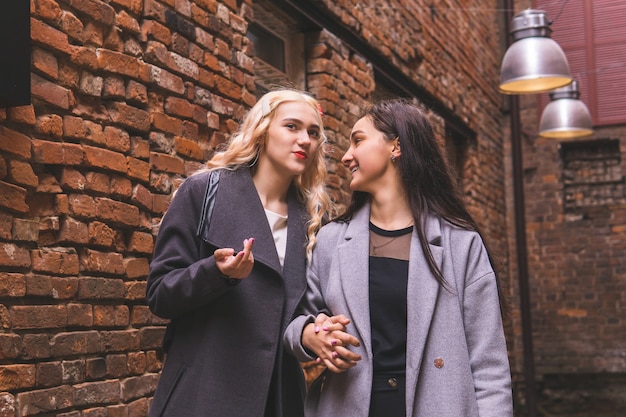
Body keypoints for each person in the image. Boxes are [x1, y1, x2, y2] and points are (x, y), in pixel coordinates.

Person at [284, 99, 513, 417]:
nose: (347, 156)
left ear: (396, 146)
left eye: (358, 140)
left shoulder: (461, 244)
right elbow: (297, 322)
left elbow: (489, 369)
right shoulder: (332, 241)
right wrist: (310, 334)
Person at [146, 89, 334, 417]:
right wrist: (216, 273)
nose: (304, 139)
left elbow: (305, 311)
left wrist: (314, 332)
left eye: (313, 132)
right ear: (262, 131)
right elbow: (161, 294)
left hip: (278, 398)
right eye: (292, 126)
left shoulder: (313, 220)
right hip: (204, 393)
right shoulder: (204, 191)